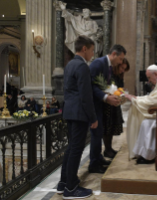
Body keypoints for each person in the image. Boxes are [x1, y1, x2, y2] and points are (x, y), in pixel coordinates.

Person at [57, 35, 98, 199]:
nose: (92, 55)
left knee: (71, 147)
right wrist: (93, 117)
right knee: (76, 149)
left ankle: (63, 182)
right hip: (79, 113)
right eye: (92, 51)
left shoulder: (69, 64)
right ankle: (71, 188)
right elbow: (85, 96)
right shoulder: (82, 66)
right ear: (84, 49)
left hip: (70, 111)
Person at [88, 44, 126, 173]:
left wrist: (112, 94)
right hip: (94, 104)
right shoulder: (98, 63)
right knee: (96, 134)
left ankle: (98, 158)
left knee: (99, 133)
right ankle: (93, 164)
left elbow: (104, 85)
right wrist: (105, 97)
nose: (121, 62)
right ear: (114, 54)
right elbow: (90, 85)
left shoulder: (108, 65)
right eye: (120, 59)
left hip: (101, 105)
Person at [103, 58, 130, 159]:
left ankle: (109, 148)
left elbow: (121, 88)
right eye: (122, 68)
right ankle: (107, 149)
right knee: (107, 127)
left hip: (115, 103)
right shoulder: (110, 73)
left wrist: (122, 94)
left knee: (113, 127)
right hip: (108, 104)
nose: (123, 70)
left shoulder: (119, 76)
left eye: (125, 69)